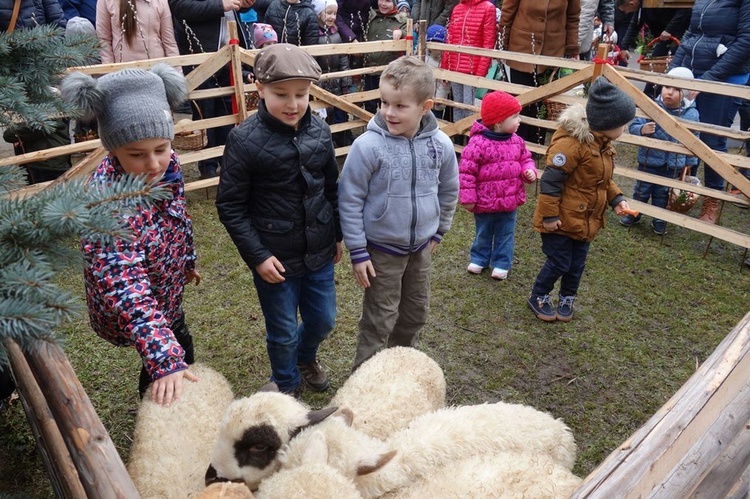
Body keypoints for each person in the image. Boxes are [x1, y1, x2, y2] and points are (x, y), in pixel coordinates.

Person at [60, 64, 200, 407]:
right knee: (166, 362)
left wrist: (186, 259)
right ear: (113, 150)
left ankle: (173, 392)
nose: (154, 164)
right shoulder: (105, 206)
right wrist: (164, 360)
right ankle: (158, 417)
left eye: (161, 148)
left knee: (181, 345)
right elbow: (125, 286)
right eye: (137, 154)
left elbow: (176, 215)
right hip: (131, 307)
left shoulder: (170, 168)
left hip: (166, 285)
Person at [216, 44, 342, 398]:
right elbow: (231, 206)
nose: (293, 104)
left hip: (318, 249)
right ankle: (285, 381)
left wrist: (337, 235)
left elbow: (331, 186)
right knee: (283, 328)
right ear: (259, 88)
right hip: (274, 256)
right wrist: (257, 255)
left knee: (323, 319)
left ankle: (305, 357)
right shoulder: (243, 140)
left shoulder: (319, 131)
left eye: (301, 95)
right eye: (281, 94)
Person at [338, 56, 459, 371]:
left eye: (400, 105)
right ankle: (363, 383)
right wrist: (358, 252)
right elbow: (349, 198)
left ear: (426, 106)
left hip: (421, 248)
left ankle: (398, 375)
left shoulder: (441, 146)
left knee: (415, 314)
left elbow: (449, 189)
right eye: (383, 103)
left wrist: (439, 230)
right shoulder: (367, 147)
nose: (389, 112)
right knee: (380, 319)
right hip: (381, 251)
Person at [527, 76, 635, 322]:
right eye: (622, 124)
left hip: (584, 219)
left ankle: (567, 297)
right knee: (559, 262)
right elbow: (551, 183)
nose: (625, 129)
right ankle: (539, 295)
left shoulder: (603, 144)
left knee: (576, 265)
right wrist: (550, 216)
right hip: (561, 221)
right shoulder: (570, 146)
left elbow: (603, 180)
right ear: (607, 123)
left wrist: (616, 199)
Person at [669, 0, 750, 224]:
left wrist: (709, 79)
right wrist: (673, 70)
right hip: (695, 73)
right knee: (688, 133)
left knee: (712, 140)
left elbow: (746, 42)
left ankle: (712, 199)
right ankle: (686, 191)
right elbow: (691, 35)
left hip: (724, 78)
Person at [169, 0, 253, 179]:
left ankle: (229, 163)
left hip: (230, 49)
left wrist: (246, 3)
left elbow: (243, 7)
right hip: (200, 52)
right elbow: (180, 7)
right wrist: (221, 5)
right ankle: (208, 167)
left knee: (228, 111)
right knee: (206, 113)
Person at [460, 91, 537, 280]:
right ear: (498, 121)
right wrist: (468, 198)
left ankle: (502, 263)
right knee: (484, 231)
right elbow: (466, 172)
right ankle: (479, 258)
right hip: (485, 200)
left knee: (506, 232)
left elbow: (526, 159)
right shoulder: (478, 143)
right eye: (515, 117)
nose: (519, 121)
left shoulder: (517, 142)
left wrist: (529, 171)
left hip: (509, 199)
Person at [620, 67, 699, 235]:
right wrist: (642, 129)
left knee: (662, 193)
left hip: (672, 165)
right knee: (642, 189)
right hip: (649, 160)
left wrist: (690, 164)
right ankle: (635, 212)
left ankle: (659, 218)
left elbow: (694, 141)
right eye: (666, 87)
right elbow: (633, 126)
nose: (669, 92)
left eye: (676, 89)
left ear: (684, 93)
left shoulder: (691, 115)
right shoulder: (651, 107)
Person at [1, 0, 70, 184]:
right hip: (13, 78)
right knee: (26, 144)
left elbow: (58, 27)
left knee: (49, 126)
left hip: (45, 71)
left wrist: (46, 58)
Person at [499, 0, 580, 145]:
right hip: (521, 47)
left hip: (552, 51)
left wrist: (573, 48)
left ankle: (537, 144)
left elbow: (573, 17)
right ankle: (518, 144)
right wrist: (502, 42)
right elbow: (508, 11)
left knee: (543, 104)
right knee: (521, 100)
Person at [616, 0, 690, 98]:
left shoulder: (648, 4)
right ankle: (650, 95)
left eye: (626, 10)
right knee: (657, 63)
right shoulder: (641, 8)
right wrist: (624, 47)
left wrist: (669, 29)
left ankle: (652, 96)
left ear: (631, 4)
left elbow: (684, 7)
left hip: (679, 33)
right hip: (664, 37)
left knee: (663, 64)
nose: (627, 13)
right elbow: (635, 25)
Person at [441, 0, 496, 123]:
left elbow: (488, 42)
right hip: (455, 65)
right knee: (456, 105)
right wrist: (445, 67)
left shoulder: (488, 8)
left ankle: (470, 137)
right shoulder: (458, 8)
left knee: (468, 107)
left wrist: (480, 73)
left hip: (472, 68)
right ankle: (457, 137)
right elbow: (450, 39)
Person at [313, 0, 354, 147]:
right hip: (321, 83)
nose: (332, 17)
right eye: (328, 12)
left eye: (335, 13)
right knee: (323, 117)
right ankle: (327, 145)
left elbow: (343, 60)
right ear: (318, 13)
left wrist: (346, 82)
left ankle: (342, 141)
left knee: (340, 115)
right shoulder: (314, 36)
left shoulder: (336, 34)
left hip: (337, 82)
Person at [97, 0, 180, 64]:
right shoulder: (106, 1)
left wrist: (177, 78)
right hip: (122, 73)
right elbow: (103, 40)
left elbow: (169, 43)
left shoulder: (160, 2)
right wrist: (109, 74)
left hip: (156, 71)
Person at [361, 0, 408, 113]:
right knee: (369, 103)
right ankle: (370, 126)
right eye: (381, 0)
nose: (383, 4)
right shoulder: (372, 17)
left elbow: (408, 31)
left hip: (389, 71)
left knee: (387, 102)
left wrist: (401, 32)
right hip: (370, 69)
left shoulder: (400, 19)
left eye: (388, 1)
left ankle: (387, 127)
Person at [424, 24, 450, 120]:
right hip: (423, 99)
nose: (435, 46)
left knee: (436, 120)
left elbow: (444, 86)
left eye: (438, 42)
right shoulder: (421, 57)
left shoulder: (445, 61)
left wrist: (439, 99)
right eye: (433, 42)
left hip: (437, 102)